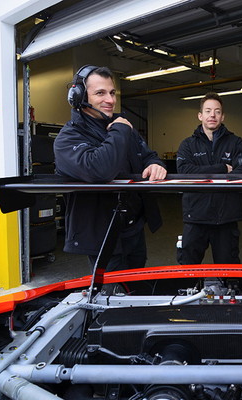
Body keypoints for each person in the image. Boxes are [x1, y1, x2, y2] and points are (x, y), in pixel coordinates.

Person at [54, 65, 167, 271]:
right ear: (79, 97)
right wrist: (120, 130)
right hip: (101, 235)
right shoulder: (69, 138)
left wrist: (155, 164)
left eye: (112, 93)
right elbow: (100, 170)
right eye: (100, 93)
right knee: (112, 289)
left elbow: (148, 155)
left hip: (133, 229)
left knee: (137, 284)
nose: (111, 100)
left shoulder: (122, 127)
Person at [176, 92, 242, 265]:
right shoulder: (187, 145)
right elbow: (185, 172)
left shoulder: (236, 143)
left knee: (228, 270)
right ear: (200, 115)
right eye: (208, 111)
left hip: (226, 217)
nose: (212, 115)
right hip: (195, 216)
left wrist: (201, 173)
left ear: (222, 116)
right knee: (188, 268)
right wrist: (221, 168)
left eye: (217, 111)